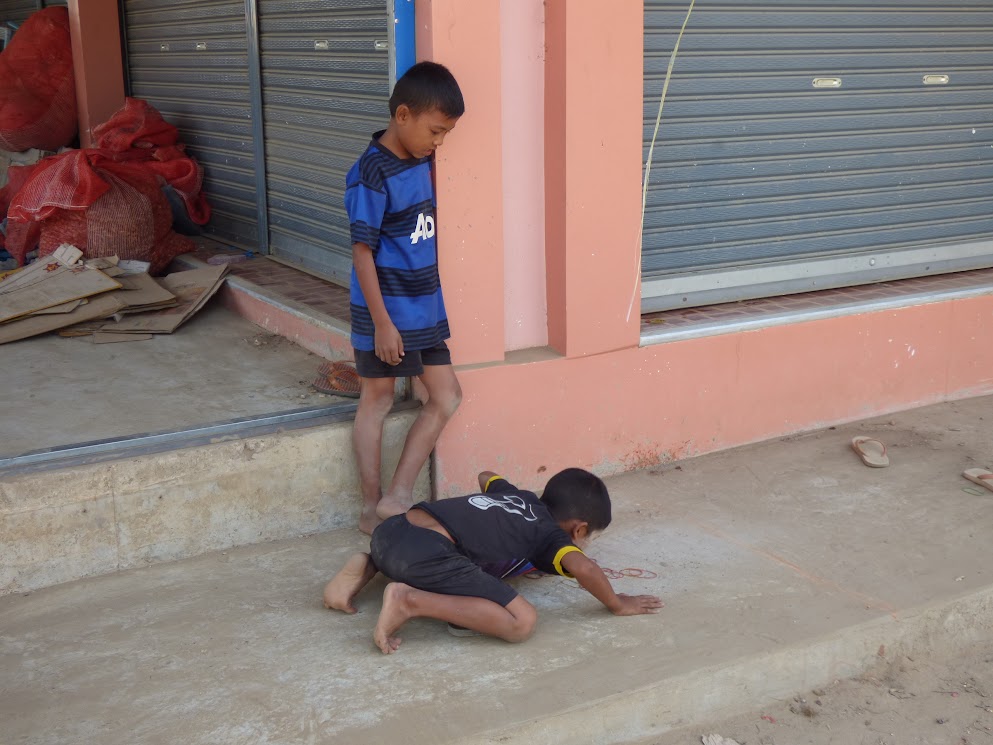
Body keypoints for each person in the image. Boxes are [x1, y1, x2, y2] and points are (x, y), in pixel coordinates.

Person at [323, 468, 664, 654]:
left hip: (390, 533)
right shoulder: (551, 536)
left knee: (429, 553)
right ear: (580, 529)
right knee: (522, 622)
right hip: (425, 555)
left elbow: (486, 475)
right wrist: (617, 603)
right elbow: (584, 568)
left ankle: (366, 566)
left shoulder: (517, 495)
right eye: (590, 538)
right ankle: (408, 601)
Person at [345, 61, 465, 535]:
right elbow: (362, 254)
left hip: (426, 308)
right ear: (402, 116)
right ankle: (371, 509)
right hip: (388, 312)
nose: (439, 143)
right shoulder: (369, 174)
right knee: (376, 400)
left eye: (445, 134)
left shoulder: (420, 160)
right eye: (435, 131)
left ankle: (397, 498)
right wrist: (382, 324)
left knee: (448, 396)